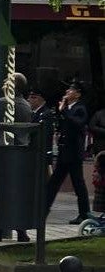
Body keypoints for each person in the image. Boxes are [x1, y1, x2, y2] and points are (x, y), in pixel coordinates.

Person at [46, 80, 90, 224]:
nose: (67, 92)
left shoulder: (80, 108)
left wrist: (64, 110)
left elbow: (77, 123)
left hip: (74, 153)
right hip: (64, 152)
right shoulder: (67, 108)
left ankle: (84, 213)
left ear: (77, 94)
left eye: (71, 90)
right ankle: (43, 210)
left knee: (78, 184)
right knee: (54, 182)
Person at [0, 72, 33, 243]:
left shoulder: (3, 103)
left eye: (6, 82)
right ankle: (21, 230)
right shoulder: (26, 105)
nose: (3, 84)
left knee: (1, 193)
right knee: (18, 192)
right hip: (22, 152)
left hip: (4, 151)